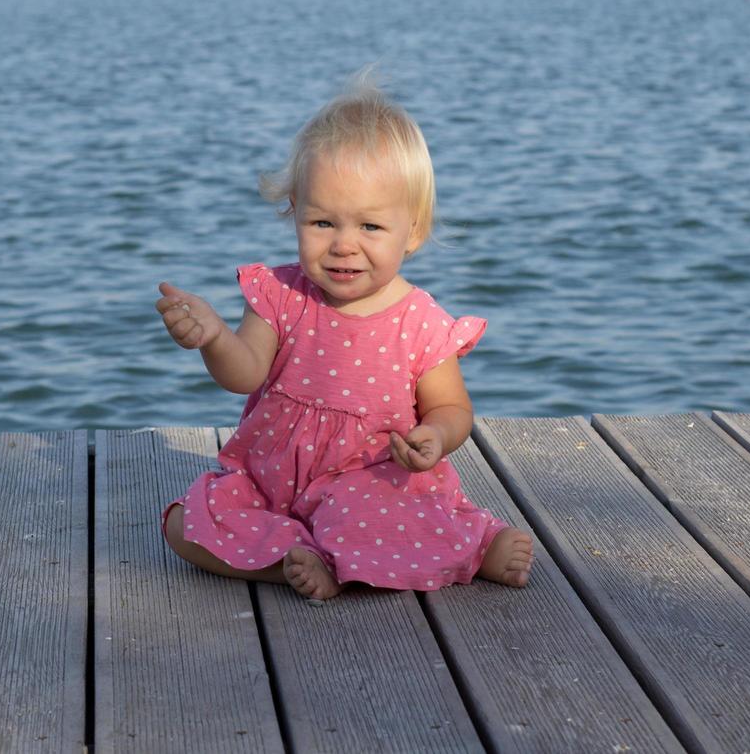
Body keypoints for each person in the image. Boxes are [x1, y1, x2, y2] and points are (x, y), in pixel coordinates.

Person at [156, 80, 533, 600]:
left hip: (369, 483)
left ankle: (477, 546)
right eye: (322, 222)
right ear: (295, 211)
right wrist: (214, 336)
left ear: (414, 230)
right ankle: (297, 558)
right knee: (186, 524)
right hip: (270, 488)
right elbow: (243, 373)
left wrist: (436, 438)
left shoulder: (418, 322)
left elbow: (451, 407)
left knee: (388, 519)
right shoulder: (279, 294)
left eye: (371, 227)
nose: (343, 245)